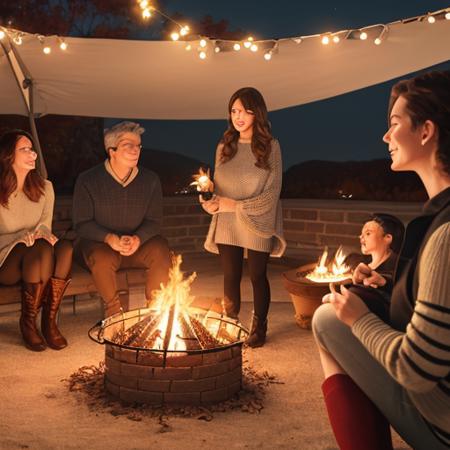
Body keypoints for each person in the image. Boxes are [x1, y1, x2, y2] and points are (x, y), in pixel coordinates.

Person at [312, 70, 450, 450]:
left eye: (394, 124)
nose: (385, 137)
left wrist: (359, 318)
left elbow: (417, 369)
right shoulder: (441, 214)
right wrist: (388, 286)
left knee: (328, 318)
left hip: (443, 421)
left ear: (425, 132)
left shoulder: (445, 232)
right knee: (352, 304)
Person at [201, 87, 286, 348]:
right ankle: (230, 321)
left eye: (245, 111)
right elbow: (218, 186)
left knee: (257, 275)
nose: (239, 117)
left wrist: (235, 206)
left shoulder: (271, 147)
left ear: (256, 113)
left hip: (257, 219)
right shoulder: (224, 147)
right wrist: (209, 201)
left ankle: (259, 325)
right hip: (227, 220)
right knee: (230, 275)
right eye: (234, 111)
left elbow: (272, 193)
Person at [72, 121, 171, 317]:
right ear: (112, 151)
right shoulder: (88, 180)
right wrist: (109, 238)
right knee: (101, 258)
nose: (136, 150)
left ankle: (156, 310)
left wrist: (138, 239)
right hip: (100, 245)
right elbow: (81, 223)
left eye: (138, 145)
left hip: (137, 246)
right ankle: (114, 313)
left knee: (160, 249)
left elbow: (154, 221)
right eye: (128, 145)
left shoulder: (150, 180)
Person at [0, 129, 73, 351]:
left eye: (32, 149)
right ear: (8, 155)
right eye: (25, 149)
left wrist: (42, 233)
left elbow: (44, 223)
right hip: (6, 260)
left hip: (35, 256)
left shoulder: (45, 187)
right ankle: (28, 322)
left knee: (65, 248)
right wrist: (19, 237)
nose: (33, 154)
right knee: (38, 247)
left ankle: (49, 321)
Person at [347, 213, 405, 322]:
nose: (361, 237)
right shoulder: (361, 264)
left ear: (387, 238)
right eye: (361, 234)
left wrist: (384, 283)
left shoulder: (401, 265)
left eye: (368, 233)